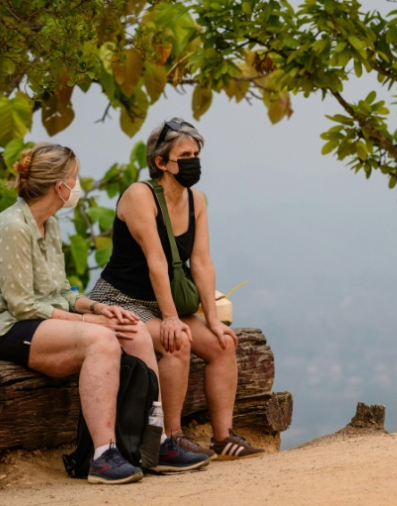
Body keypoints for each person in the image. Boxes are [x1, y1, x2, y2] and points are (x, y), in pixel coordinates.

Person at [0, 143, 207, 485]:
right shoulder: (13, 226)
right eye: (74, 177)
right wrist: (91, 322)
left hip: (39, 322)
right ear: (59, 185)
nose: (76, 185)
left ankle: (155, 443)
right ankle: (102, 455)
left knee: (134, 330)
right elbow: (22, 305)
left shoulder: (48, 226)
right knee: (102, 340)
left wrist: (100, 307)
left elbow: (62, 292)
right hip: (4, 329)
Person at [90, 119, 265, 460]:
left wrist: (213, 321)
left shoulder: (196, 199)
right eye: (185, 154)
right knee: (177, 341)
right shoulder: (139, 196)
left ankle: (223, 437)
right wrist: (170, 318)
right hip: (123, 300)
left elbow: (201, 262)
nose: (193, 161)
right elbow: (156, 260)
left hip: (163, 299)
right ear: (160, 162)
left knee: (222, 344)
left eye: (196, 154)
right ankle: (169, 439)